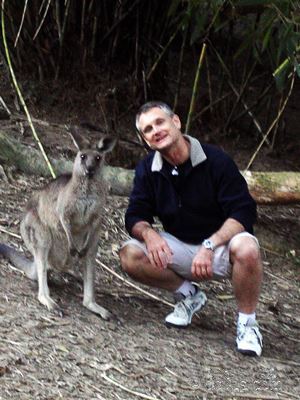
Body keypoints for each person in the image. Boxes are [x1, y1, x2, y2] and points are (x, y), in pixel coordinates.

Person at [119, 101, 263, 357]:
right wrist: (149, 235)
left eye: (160, 122)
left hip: (220, 247)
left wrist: (211, 244)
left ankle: (247, 325)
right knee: (130, 254)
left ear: (176, 122)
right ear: (145, 139)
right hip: (181, 246)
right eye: (148, 129)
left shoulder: (215, 160)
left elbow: (243, 211)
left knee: (248, 247)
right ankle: (189, 295)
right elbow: (135, 215)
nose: (156, 131)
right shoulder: (147, 168)